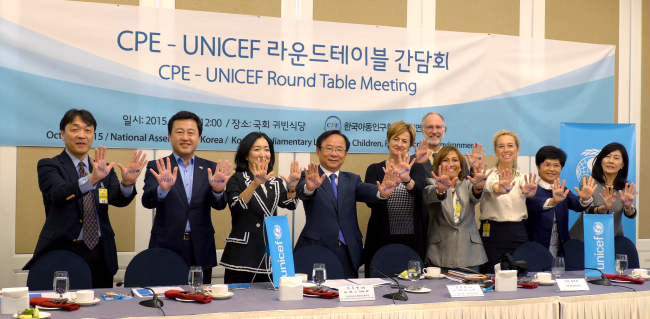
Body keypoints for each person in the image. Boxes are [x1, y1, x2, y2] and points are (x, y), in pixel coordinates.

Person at [24, 109, 146, 288]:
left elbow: (118, 199)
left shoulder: (103, 168)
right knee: (64, 307)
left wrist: (127, 184)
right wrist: (91, 179)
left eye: (88, 130)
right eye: (75, 129)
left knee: (101, 309)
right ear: (62, 134)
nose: (82, 135)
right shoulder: (49, 165)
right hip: (64, 250)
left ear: (93, 136)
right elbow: (59, 193)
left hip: (101, 251)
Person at [142, 111, 233, 283]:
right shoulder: (158, 166)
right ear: (169, 136)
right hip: (166, 246)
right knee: (165, 298)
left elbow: (219, 205)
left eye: (191, 133)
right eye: (179, 132)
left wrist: (219, 191)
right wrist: (162, 190)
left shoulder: (210, 168)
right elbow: (147, 201)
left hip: (200, 247)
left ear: (199, 138)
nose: (185, 137)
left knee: (199, 299)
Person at [295, 130, 399, 278]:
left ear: (345, 154)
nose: (334, 154)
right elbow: (303, 190)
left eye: (339, 150)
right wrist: (309, 188)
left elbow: (366, 191)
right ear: (318, 150)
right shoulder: (309, 176)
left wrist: (382, 193)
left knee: (348, 297)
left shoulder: (352, 179)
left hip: (349, 252)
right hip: (317, 250)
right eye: (329, 148)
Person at [220, 132, 299, 284]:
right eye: (257, 149)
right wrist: (254, 184)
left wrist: (291, 189)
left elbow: (290, 204)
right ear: (246, 155)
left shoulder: (275, 182)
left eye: (267, 149)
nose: (263, 154)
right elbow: (236, 206)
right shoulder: (235, 178)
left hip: (271, 255)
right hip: (242, 255)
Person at [363, 121, 428, 277]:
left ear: (411, 145)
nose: (399, 144)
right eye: (396, 139)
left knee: (412, 287)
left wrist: (406, 179)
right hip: (381, 238)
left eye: (405, 141)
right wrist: (384, 193)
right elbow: (370, 201)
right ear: (388, 141)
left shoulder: (417, 167)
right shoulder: (375, 169)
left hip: (412, 240)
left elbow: (420, 191)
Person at [479, 130, 540, 273]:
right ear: (495, 151)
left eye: (510, 146)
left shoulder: (524, 178)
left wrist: (531, 195)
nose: (506, 150)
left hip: (518, 232)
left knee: (521, 275)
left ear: (517, 149)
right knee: (492, 276)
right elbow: (490, 186)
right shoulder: (487, 174)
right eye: (501, 146)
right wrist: (497, 188)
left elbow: (534, 199)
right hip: (492, 233)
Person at [424, 146, 491, 271]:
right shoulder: (431, 183)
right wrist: (441, 190)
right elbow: (429, 196)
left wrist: (479, 188)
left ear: (461, 166)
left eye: (455, 160)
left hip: (470, 254)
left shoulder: (467, 184)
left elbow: (475, 195)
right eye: (445, 160)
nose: (451, 164)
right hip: (440, 254)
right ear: (438, 164)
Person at [525, 146, 595, 258]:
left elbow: (576, 204)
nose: (552, 169)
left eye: (556, 165)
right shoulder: (531, 190)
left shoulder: (562, 189)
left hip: (560, 249)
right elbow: (534, 204)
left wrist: (585, 199)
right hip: (536, 248)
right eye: (547, 165)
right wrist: (553, 201)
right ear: (538, 167)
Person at [569, 142, 638, 241]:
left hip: (612, 239)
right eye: (607, 156)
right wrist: (603, 208)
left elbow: (631, 214)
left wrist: (628, 207)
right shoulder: (589, 181)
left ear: (622, 164)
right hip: (583, 239)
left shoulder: (625, 188)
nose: (611, 161)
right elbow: (587, 211)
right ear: (601, 160)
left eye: (616, 158)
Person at [413, 112, 482, 178]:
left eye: (438, 127)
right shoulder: (412, 160)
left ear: (444, 130)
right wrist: (418, 164)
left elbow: (467, 187)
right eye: (429, 127)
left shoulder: (458, 160)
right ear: (422, 130)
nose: (434, 131)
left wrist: (474, 169)